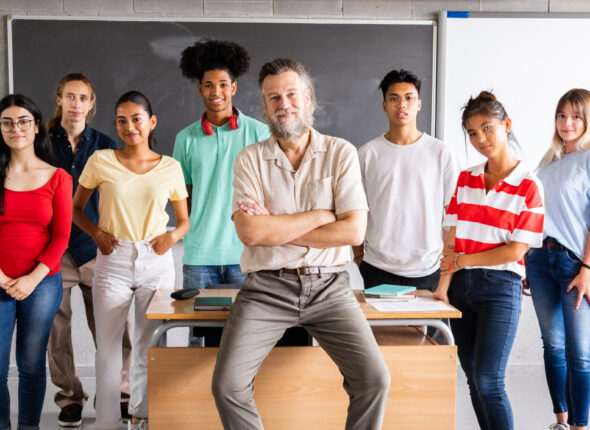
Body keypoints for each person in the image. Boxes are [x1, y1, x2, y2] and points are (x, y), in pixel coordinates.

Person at [211, 58, 390, 430]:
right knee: (227, 385)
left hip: (330, 288)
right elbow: (251, 234)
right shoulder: (250, 159)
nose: (284, 104)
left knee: (374, 380)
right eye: (274, 98)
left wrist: (275, 225)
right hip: (266, 289)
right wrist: (324, 216)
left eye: (292, 94)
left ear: (308, 99)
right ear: (264, 107)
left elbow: (354, 232)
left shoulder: (341, 153)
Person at [72, 91, 189, 430]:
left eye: (136, 119)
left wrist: (172, 236)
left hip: (156, 259)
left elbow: (183, 221)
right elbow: (76, 208)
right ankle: (107, 423)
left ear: (151, 122)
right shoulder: (100, 161)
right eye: (121, 120)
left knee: (148, 345)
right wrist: (96, 234)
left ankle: (144, 416)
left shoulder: (170, 167)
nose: (129, 127)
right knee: (107, 348)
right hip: (113, 260)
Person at [434, 91, 544, 430]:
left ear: (506, 126)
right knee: (472, 378)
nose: (480, 139)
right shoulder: (465, 178)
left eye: (487, 128)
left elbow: (515, 251)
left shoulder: (529, 186)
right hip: (460, 289)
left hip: (501, 289)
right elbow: (451, 235)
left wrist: (464, 261)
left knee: (489, 380)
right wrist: (443, 287)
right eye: (472, 133)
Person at [46, 72, 133, 428]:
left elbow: (121, 195)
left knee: (115, 326)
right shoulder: (40, 141)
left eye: (83, 98)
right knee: (56, 328)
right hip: (52, 250)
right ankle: (70, 398)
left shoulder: (106, 144)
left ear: (92, 103)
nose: (76, 103)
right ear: (59, 100)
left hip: (96, 246)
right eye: (70, 96)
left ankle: (119, 394)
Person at [174, 39, 270, 346]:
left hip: (246, 254)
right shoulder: (185, 139)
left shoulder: (259, 133)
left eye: (223, 85)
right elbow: (182, 197)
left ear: (234, 88)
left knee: (247, 339)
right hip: (199, 255)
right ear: (200, 89)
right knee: (201, 340)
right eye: (208, 85)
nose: (216, 92)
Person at [0, 94, 72, 430]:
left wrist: (32, 278)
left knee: (30, 365)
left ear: (36, 125)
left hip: (41, 283)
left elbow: (61, 237)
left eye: (23, 121)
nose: (16, 129)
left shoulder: (57, 177)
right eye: (7, 122)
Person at [356, 68, 458, 291]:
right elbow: (355, 210)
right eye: (394, 99)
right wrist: (358, 259)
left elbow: (454, 212)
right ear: (384, 106)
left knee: (431, 327)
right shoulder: (367, 154)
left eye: (408, 98)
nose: (401, 105)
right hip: (377, 267)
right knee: (381, 328)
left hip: (429, 269)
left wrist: (447, 264)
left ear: (419, 104)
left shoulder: (440, 152)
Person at [525, 88, 590, 430]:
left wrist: (588, 269)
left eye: (576, 116)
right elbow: (536, 215)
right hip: (538, 259)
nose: (568, 123)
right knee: (553, 345)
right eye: (562, 115)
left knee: (580, 353)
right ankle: (561, 421)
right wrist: (525, 262)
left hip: (573, 263)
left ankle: (580, 426)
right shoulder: (548, 161)